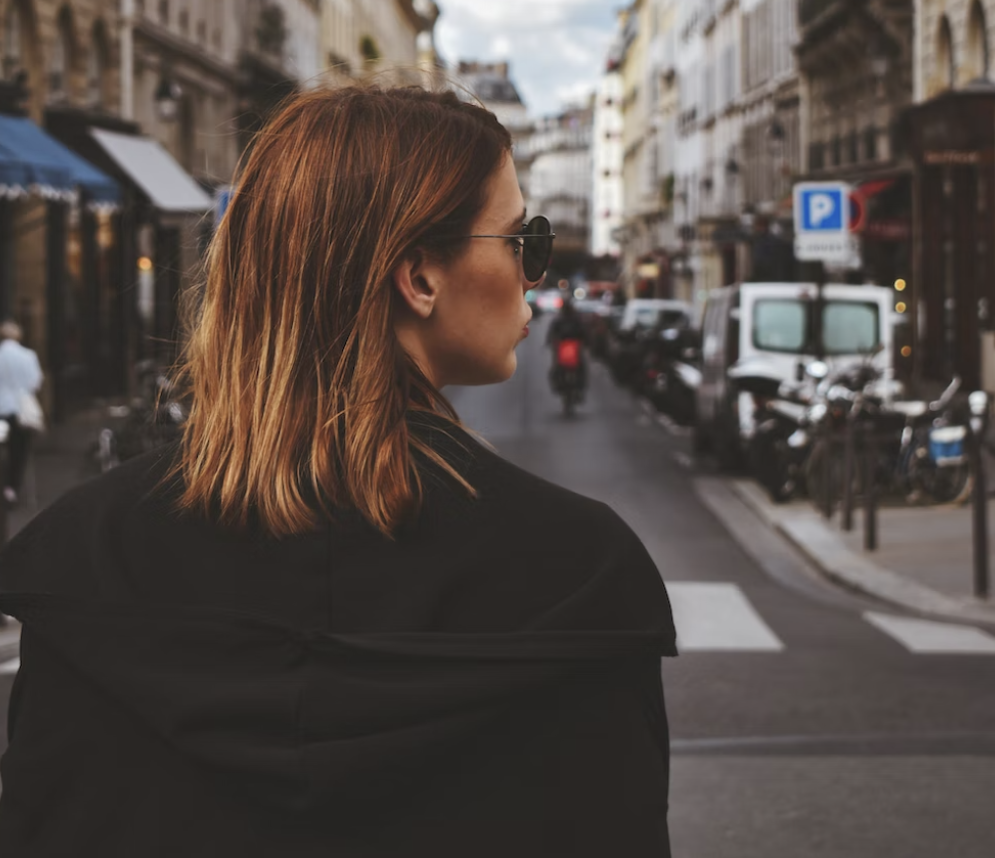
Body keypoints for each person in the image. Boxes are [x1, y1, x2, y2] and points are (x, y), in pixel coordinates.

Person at [0, 86, 677, 857]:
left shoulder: (84, 556)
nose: (533, 274)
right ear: (419, 278)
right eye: (523, 239)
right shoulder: (577, 571)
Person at [0, 320, 43, 505]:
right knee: (19, 450)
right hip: (20, 411)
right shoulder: (28, 355)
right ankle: (11, 488)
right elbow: (35, 383)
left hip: (1, 409)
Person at [546, 294, 589, 394]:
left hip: (572, 346)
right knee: (558, 365)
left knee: (579, 365)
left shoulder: (569, 319)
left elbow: (583, 331)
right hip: (563, 346)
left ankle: (578, 386)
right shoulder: (567, 319)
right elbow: (552, 333)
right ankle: (574, 386)